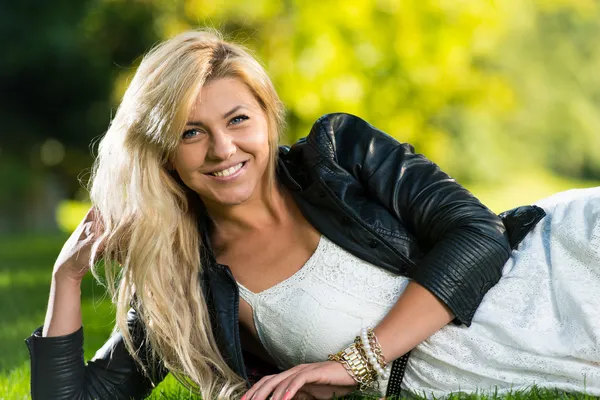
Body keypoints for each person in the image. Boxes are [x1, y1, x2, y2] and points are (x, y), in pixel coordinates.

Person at [25, 29, 600, 400]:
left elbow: (479, 234)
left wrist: (356, 363)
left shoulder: (337, 153)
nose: (223, 150)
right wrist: (65, 278)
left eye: (238, 120)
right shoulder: (181, 283)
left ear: (267, 116)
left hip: (557, 266)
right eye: (191, 133)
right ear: (163, 154)